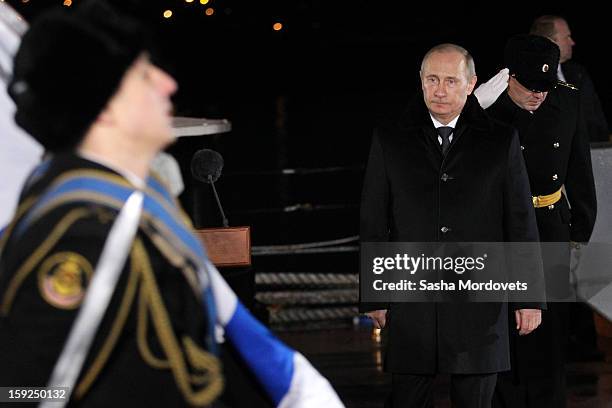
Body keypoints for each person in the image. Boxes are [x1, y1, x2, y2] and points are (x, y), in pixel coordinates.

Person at [0, 1, 344, 407]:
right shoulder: (83, 232)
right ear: (104, 107)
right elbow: (24, 392)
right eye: (145, 75)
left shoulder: (128, 202)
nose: (167, 84)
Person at [360, 43, 543, 408]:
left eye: (449, 80)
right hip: (411, 300)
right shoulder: (391, 139)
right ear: (421, 82)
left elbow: (520, 221)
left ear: (471, 84)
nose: (439, 90)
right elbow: (373, 220)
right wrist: (374, 295)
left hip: (480, 303)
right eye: (431, 80)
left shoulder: (501, 140)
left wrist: (529, 297)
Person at [486, 34, 597, 408]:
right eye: (530, 86)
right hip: (503, 233)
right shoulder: (487, 110)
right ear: (509, 77)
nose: (538, 95)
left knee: (551, 332)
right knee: (506, 329)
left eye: (544, 87)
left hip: (550, 226)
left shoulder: (566, 100)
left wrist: (580, 230)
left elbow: (580, 166)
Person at [531, 15, 607, 362]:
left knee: (583, 267)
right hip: (544, 202)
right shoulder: (522, 83)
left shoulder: (578, 77)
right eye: (567, 36)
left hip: (584, 188)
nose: (573, 42)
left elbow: (596, 126)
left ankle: (581, 342)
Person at [531, 15, 610, 143]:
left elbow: (596, 119)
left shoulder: (578, 74)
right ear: (550, 41)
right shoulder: (528, 78)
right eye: (567, 37)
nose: (572, 42)